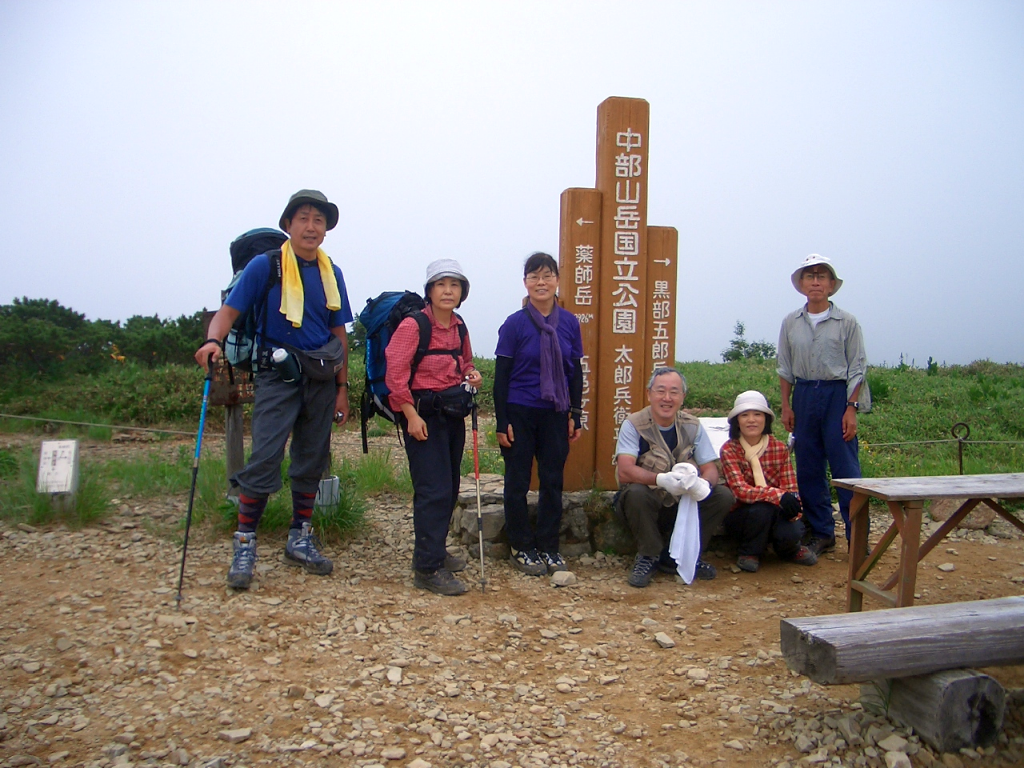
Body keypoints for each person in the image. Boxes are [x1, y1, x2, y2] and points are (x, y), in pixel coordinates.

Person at [196, 190, 353, 589]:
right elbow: (227, 314)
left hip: (320, 376)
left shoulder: (331, 274)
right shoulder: (264, 267)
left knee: (310, 460)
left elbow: (339, 334)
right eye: (304, 218)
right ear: (288, 224)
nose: (312, 226)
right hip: (276, 375)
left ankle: (300, 537)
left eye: (319, 220)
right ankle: (245, 543)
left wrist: (342, 388)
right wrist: (213, 342)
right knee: (265, 457)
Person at [385, 259, 483, 596]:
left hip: (452, 415)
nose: (448, 291)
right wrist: (411, 416)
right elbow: (395, 375)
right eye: (441, 284)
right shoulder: (414, 325)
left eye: (454, 285)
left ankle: (436, 551)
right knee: (432, 491)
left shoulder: (459, 326)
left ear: (461, 293)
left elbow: (464, 361)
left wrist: (472, 375)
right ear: (429, 291)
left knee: (450, 486)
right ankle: (427, 569)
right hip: (422, 417)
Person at [494, 252, 584, 576]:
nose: (541, 282)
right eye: (534, 276)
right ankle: (521, 546)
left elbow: (574, 371)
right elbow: (501, 375)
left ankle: (548, 546)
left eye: (547, 275)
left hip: (556, 412)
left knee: (552, 481)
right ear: (525, 283)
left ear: (557, 281)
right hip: (519, 410)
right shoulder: (515, 324)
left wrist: (576, 412)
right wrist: (501, 421)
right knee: (517, 481)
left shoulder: (570, 323)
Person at [778, 254, 869, 557]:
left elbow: (857, 367)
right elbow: (785, 367)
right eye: (809, 276)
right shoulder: (791, 322)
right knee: (808, 467)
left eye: (822, 276)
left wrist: (851, 408)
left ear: (831, 285)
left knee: (846, 469)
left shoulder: (847, 322)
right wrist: (786, 405)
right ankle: (821, 532)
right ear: (801, 284)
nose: (815, 281)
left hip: (836, 396)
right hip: (803, 395)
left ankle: (858, 538)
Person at [615, 367, 735, 587]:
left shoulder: (693, 426)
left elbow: (710, 468)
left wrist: (701, 484)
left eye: (674, 392)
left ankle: (686, 555)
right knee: (635, 493)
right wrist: (660, 480)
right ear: (649, 394)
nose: (667, 398)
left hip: (683, 504)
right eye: (660, 391)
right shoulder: (633, 425)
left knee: (722, 495)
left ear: (683, 397)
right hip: (649, 503)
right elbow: (625, 470)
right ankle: (649, 555)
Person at [719, 391, 818, 572]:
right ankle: (749, 552)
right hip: (744, 513)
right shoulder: (729, 450)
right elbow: (740, 490)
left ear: (766, 419)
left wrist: (793, 509)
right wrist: (777, 495)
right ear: (737, 421)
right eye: (744, 415)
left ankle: (789, 549)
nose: (751, 420)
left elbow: (790, 487)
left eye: (757, 414)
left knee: (792, 529)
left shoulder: (779, 448)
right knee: (761, 510)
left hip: (776, 509)